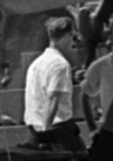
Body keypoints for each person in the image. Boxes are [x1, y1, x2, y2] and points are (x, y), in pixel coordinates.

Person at [23, 17, 81, 149]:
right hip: (56, 131)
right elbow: (52, 98)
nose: (73, 42)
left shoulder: (35, 64)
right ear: (67, 36)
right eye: (73, 36)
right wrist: (45, 134)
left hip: (33, 131)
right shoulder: (60, 64)